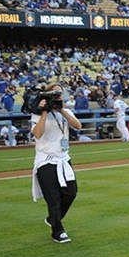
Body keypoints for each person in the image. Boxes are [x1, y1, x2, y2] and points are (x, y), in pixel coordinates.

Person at [30, 84, 82, 243]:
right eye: (55, 93)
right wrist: (44, 112)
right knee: (53, 198)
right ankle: (57, 231)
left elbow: (77, 126)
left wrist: (62, 110)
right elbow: (37, 134)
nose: (58, 96)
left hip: (63, 158)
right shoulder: (37, 114)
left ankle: (53, 218)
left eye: (60, 93)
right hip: (46, 160)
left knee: (71, 193)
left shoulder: (65, 112)